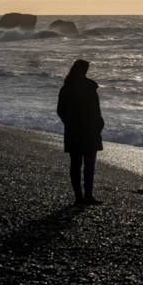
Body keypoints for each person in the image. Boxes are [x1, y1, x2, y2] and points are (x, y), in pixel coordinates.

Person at [56, 59, 105, 206]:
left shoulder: (67, 87)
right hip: (89, 130)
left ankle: (79, 196)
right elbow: (96, 110)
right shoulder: (90, 86)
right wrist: (99, 124)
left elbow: (61, 111)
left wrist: (69, 124)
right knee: (88, 164)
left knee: (76, 164)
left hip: (75, 131)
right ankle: (87, 195)